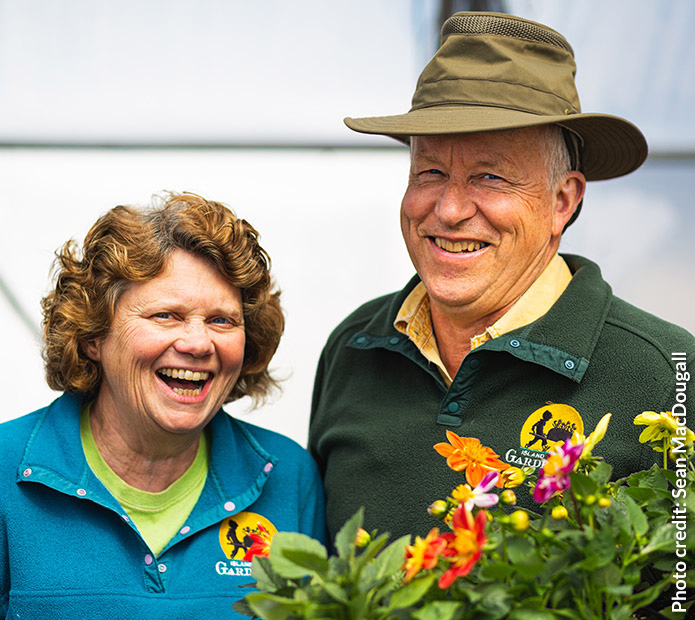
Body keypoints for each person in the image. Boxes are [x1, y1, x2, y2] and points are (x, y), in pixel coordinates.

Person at [309, 11, 695, 542]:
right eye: (431, 172)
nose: (448, 209)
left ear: (563, 200)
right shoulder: (354, 348)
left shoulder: (667, 370)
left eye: (489, 176)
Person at [0, 192, 326, 618]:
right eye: (165, 316)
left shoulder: (288, 476)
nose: (197, 343)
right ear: (93, 336)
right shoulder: (8, 472)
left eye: (221, 320)